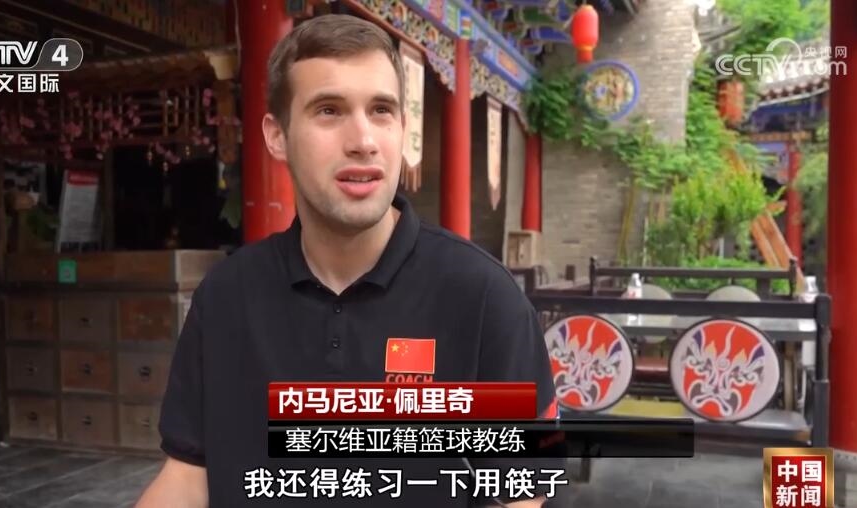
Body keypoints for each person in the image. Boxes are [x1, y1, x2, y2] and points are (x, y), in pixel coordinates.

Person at [135, 14, 559, 508]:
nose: (363, 140)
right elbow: (188, 476)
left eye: (381, 110)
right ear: (277, 135)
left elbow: (521, 494)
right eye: (329, 110)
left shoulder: (484, 297)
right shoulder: (225, 297)